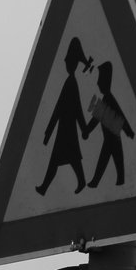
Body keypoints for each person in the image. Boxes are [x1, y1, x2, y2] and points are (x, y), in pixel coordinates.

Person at [36, 36, 93, 196]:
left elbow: (76, 108)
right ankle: (46, 187)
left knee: (63, 158)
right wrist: (48, 132)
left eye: (67, 61)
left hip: (67, 128)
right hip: (65, 128)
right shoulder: (69, 82)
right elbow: (58, 109)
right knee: (66, 158)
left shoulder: (71, 84)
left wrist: (84, 128)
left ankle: (46, 187)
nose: (65, 64)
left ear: (72, 63)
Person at [83, 60, 135, 188]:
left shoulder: (108, 99)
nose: (97, 83)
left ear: (105, 81)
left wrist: (129, 131)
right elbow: (97, 118)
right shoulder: (107, 99)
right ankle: (103, 181)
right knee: (110, 159)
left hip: (113, 136)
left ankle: (115, 181)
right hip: (110, 136)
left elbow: (117, 116)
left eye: (100, 80)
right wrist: (87, 131)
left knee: (113, 160)